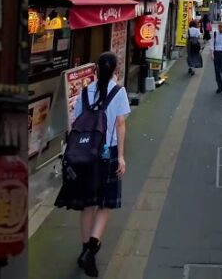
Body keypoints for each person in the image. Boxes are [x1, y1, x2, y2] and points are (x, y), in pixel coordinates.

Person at [55, 52, 131, 278]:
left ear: (96, 69)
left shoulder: (86, 91)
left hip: (86, 155)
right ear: (116, 69)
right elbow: (120, 125)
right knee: (106, 204)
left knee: (88, 204)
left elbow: (75, 123)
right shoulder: (119, 92)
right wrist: (121, 157)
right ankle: (91, 249)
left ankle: (84, 247)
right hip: (109, 153)